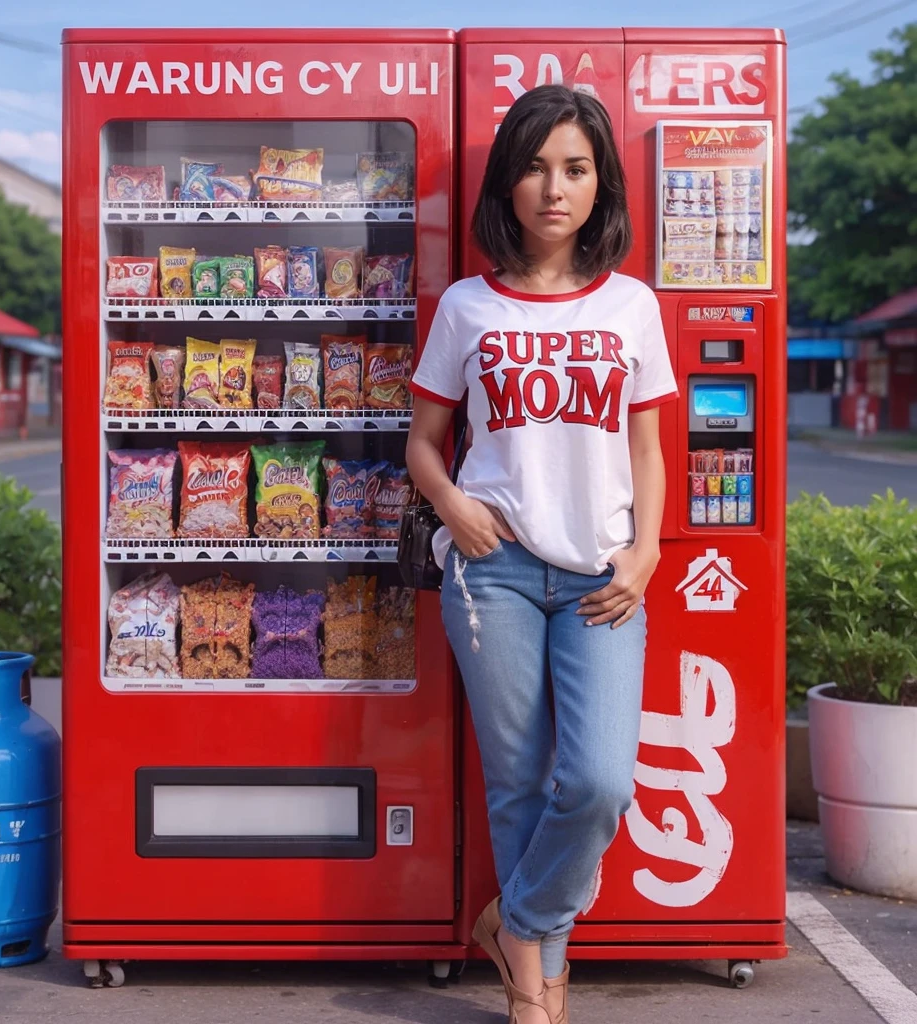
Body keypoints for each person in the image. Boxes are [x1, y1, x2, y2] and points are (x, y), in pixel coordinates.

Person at [405, 85, 677, 1024]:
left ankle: (515, 923)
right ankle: (538, 993)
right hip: (494, 576)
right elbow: (422, 442)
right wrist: (453, 508)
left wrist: (645, 554)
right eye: (534, 166)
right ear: (506, 184)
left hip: (604, 576)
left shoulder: (632, 306)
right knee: (519, 784)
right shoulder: (468, 307)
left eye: (575, 167)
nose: (553, 188)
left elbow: (648, 448)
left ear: (601, 184)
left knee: (599, 781)